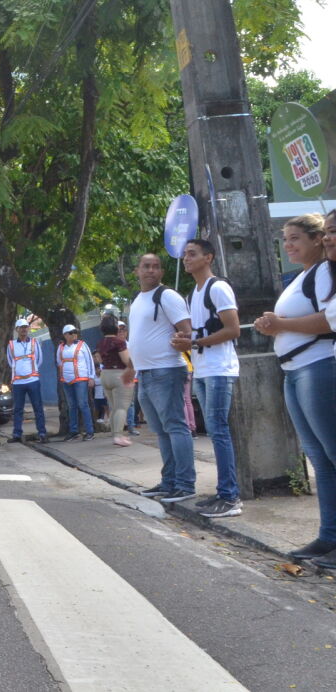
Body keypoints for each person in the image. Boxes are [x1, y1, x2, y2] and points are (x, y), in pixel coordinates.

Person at [255, 213, 336, 563]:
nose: (288, 245)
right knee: (320, 459)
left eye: (295, 238)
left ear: (317, 240)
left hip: (316, 367)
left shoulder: (322, 273)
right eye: (285, 239)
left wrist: (280, 323)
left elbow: (328, 320)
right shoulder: (303, 276)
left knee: (331, 455)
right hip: (295, 371)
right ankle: (328, 536)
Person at [173, 238, 241, 517]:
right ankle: (223, 492)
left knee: (218, 430)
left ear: (208, 257)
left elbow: (233, 329)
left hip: (219, 368)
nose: (186, 259)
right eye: (185, 255)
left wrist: (195, 344)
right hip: (203, 369)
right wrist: (185, 339)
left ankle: (230, 496)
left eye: (192, 254)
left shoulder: (218, 288)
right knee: (214, 430)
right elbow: (199, 333)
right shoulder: (194, 293)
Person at [124, 253, 195, 503]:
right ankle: (169, 482)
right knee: (161, 431)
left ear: (162, 272)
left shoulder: (166, 296)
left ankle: (185, 485)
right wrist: (132, 367)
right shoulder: (138, 300)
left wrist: (180, 342)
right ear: (137, 271)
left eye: (155, 267)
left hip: (166, 370)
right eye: (146, 266)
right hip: (145, 374)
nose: (151, 271)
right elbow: (137, 337)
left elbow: (187, 331)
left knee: (175, 427)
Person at [6, 318, 47, 443]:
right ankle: (17, 434)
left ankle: (42, 433)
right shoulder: (11, 345)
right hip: (18, 382)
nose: (24, 329)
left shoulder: (34, 342)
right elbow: (10, 361)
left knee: (38, 408)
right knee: (18, 409)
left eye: (25, 327)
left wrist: (31, 372)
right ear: (17, 330)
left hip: (33, 380)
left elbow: (39, 360)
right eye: (21, 327)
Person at [96, 314, 134, 446]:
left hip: (105, 375)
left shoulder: (100, 342)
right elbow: (125, 360)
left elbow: (99, 359)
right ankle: (118, 436)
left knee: (113, 408)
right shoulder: (119, 342)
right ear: (115, 327)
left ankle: (114, 434)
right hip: (119, 374)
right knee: (121, 407)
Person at [56, 325, 96, 441]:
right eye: (71, 332)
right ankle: (74, 431)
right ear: (65, 335)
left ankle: (89, 431)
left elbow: (89, 361)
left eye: (75, 332)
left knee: (83, 404)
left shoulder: (82, 345)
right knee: (71, 405)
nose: (74, 334)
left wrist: (91, 377)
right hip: (66, 380)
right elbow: (59, 362)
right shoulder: (61, 347)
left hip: (80, 379)